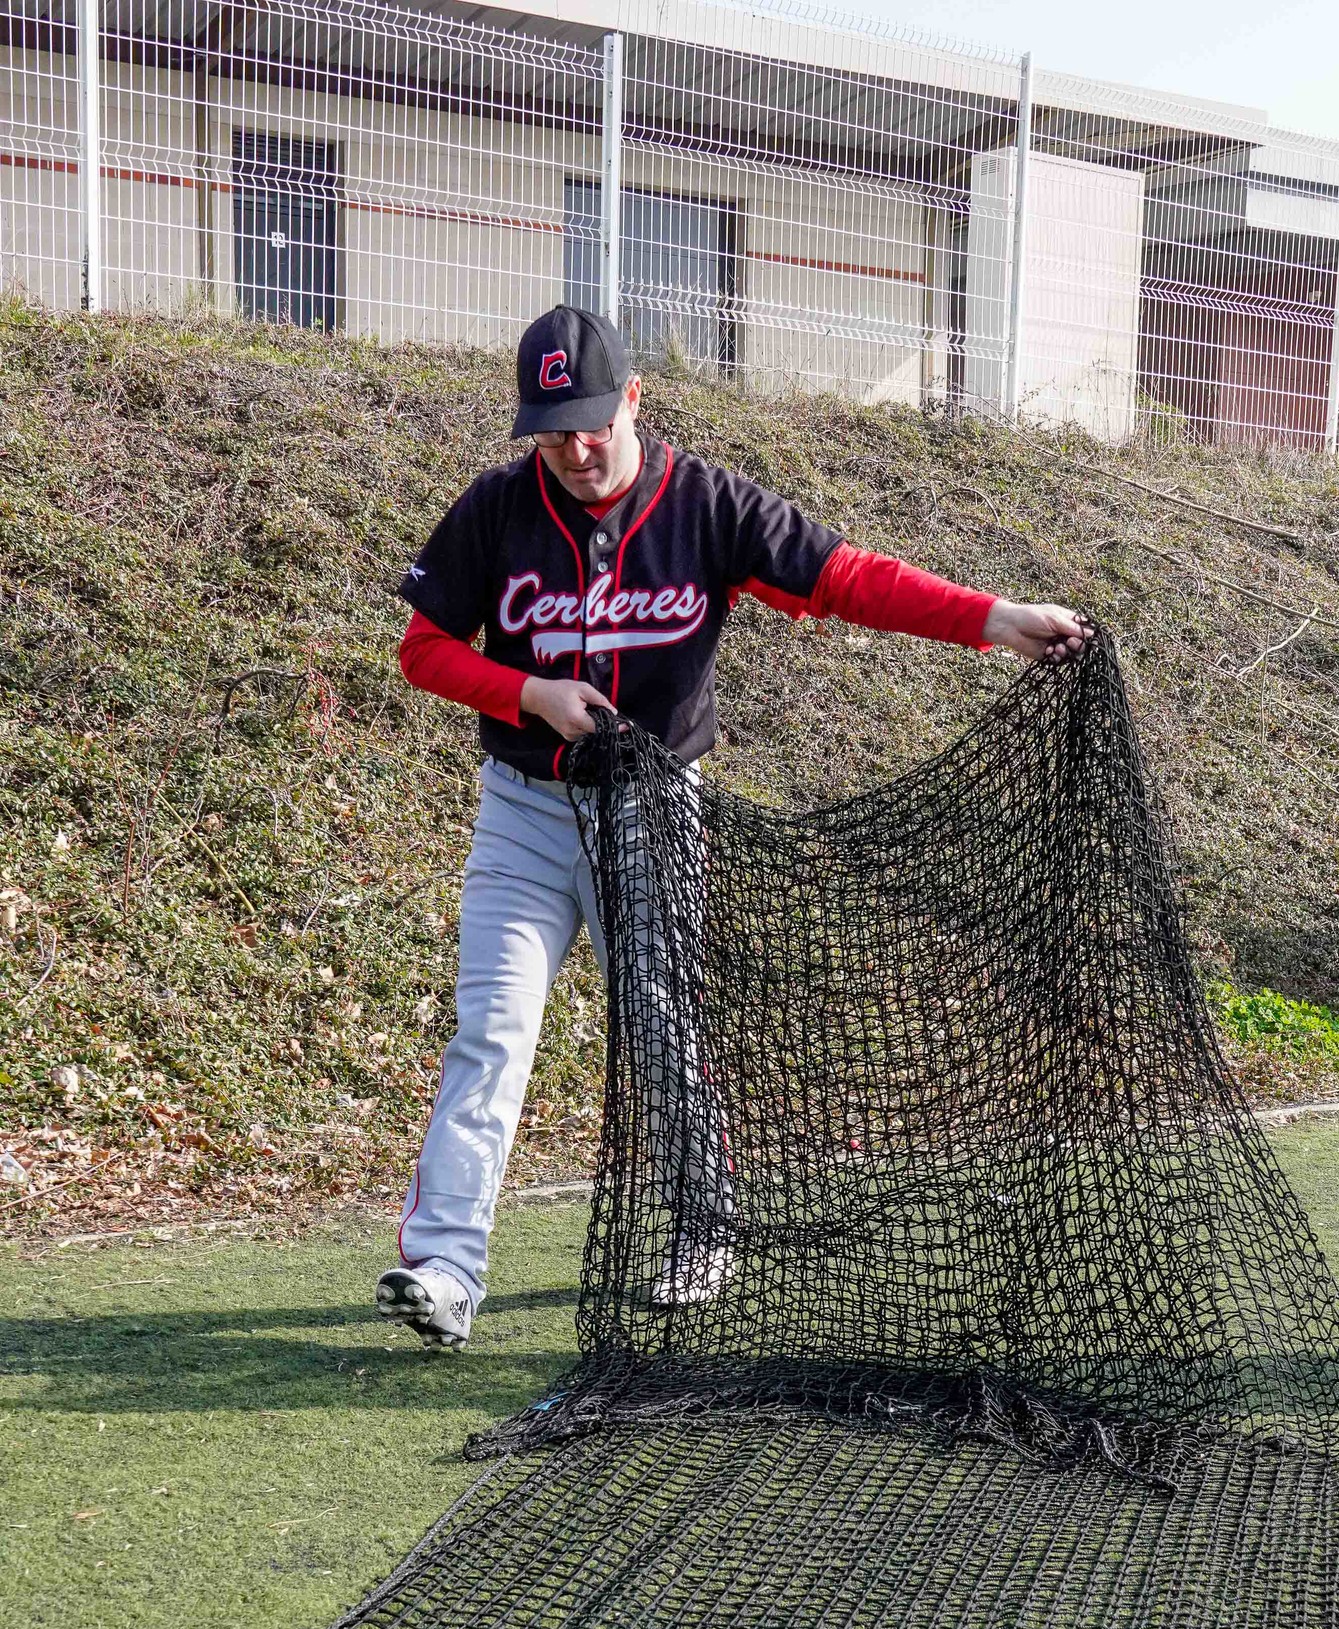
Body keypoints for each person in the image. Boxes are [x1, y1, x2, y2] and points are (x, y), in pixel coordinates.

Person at [378, 305, 1094, 1351]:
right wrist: (530, 694)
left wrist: (990, 619)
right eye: (550, 426)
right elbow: (425, 650)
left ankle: (700, 1228)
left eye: (590, 420)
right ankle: (445, 1269)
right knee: (490, 1036)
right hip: (525, 812)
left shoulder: (705, 505)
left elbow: (847, 580)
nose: (574, 449)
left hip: (655, 810)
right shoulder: (496, 509)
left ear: (632, 400)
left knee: (664, 1026)